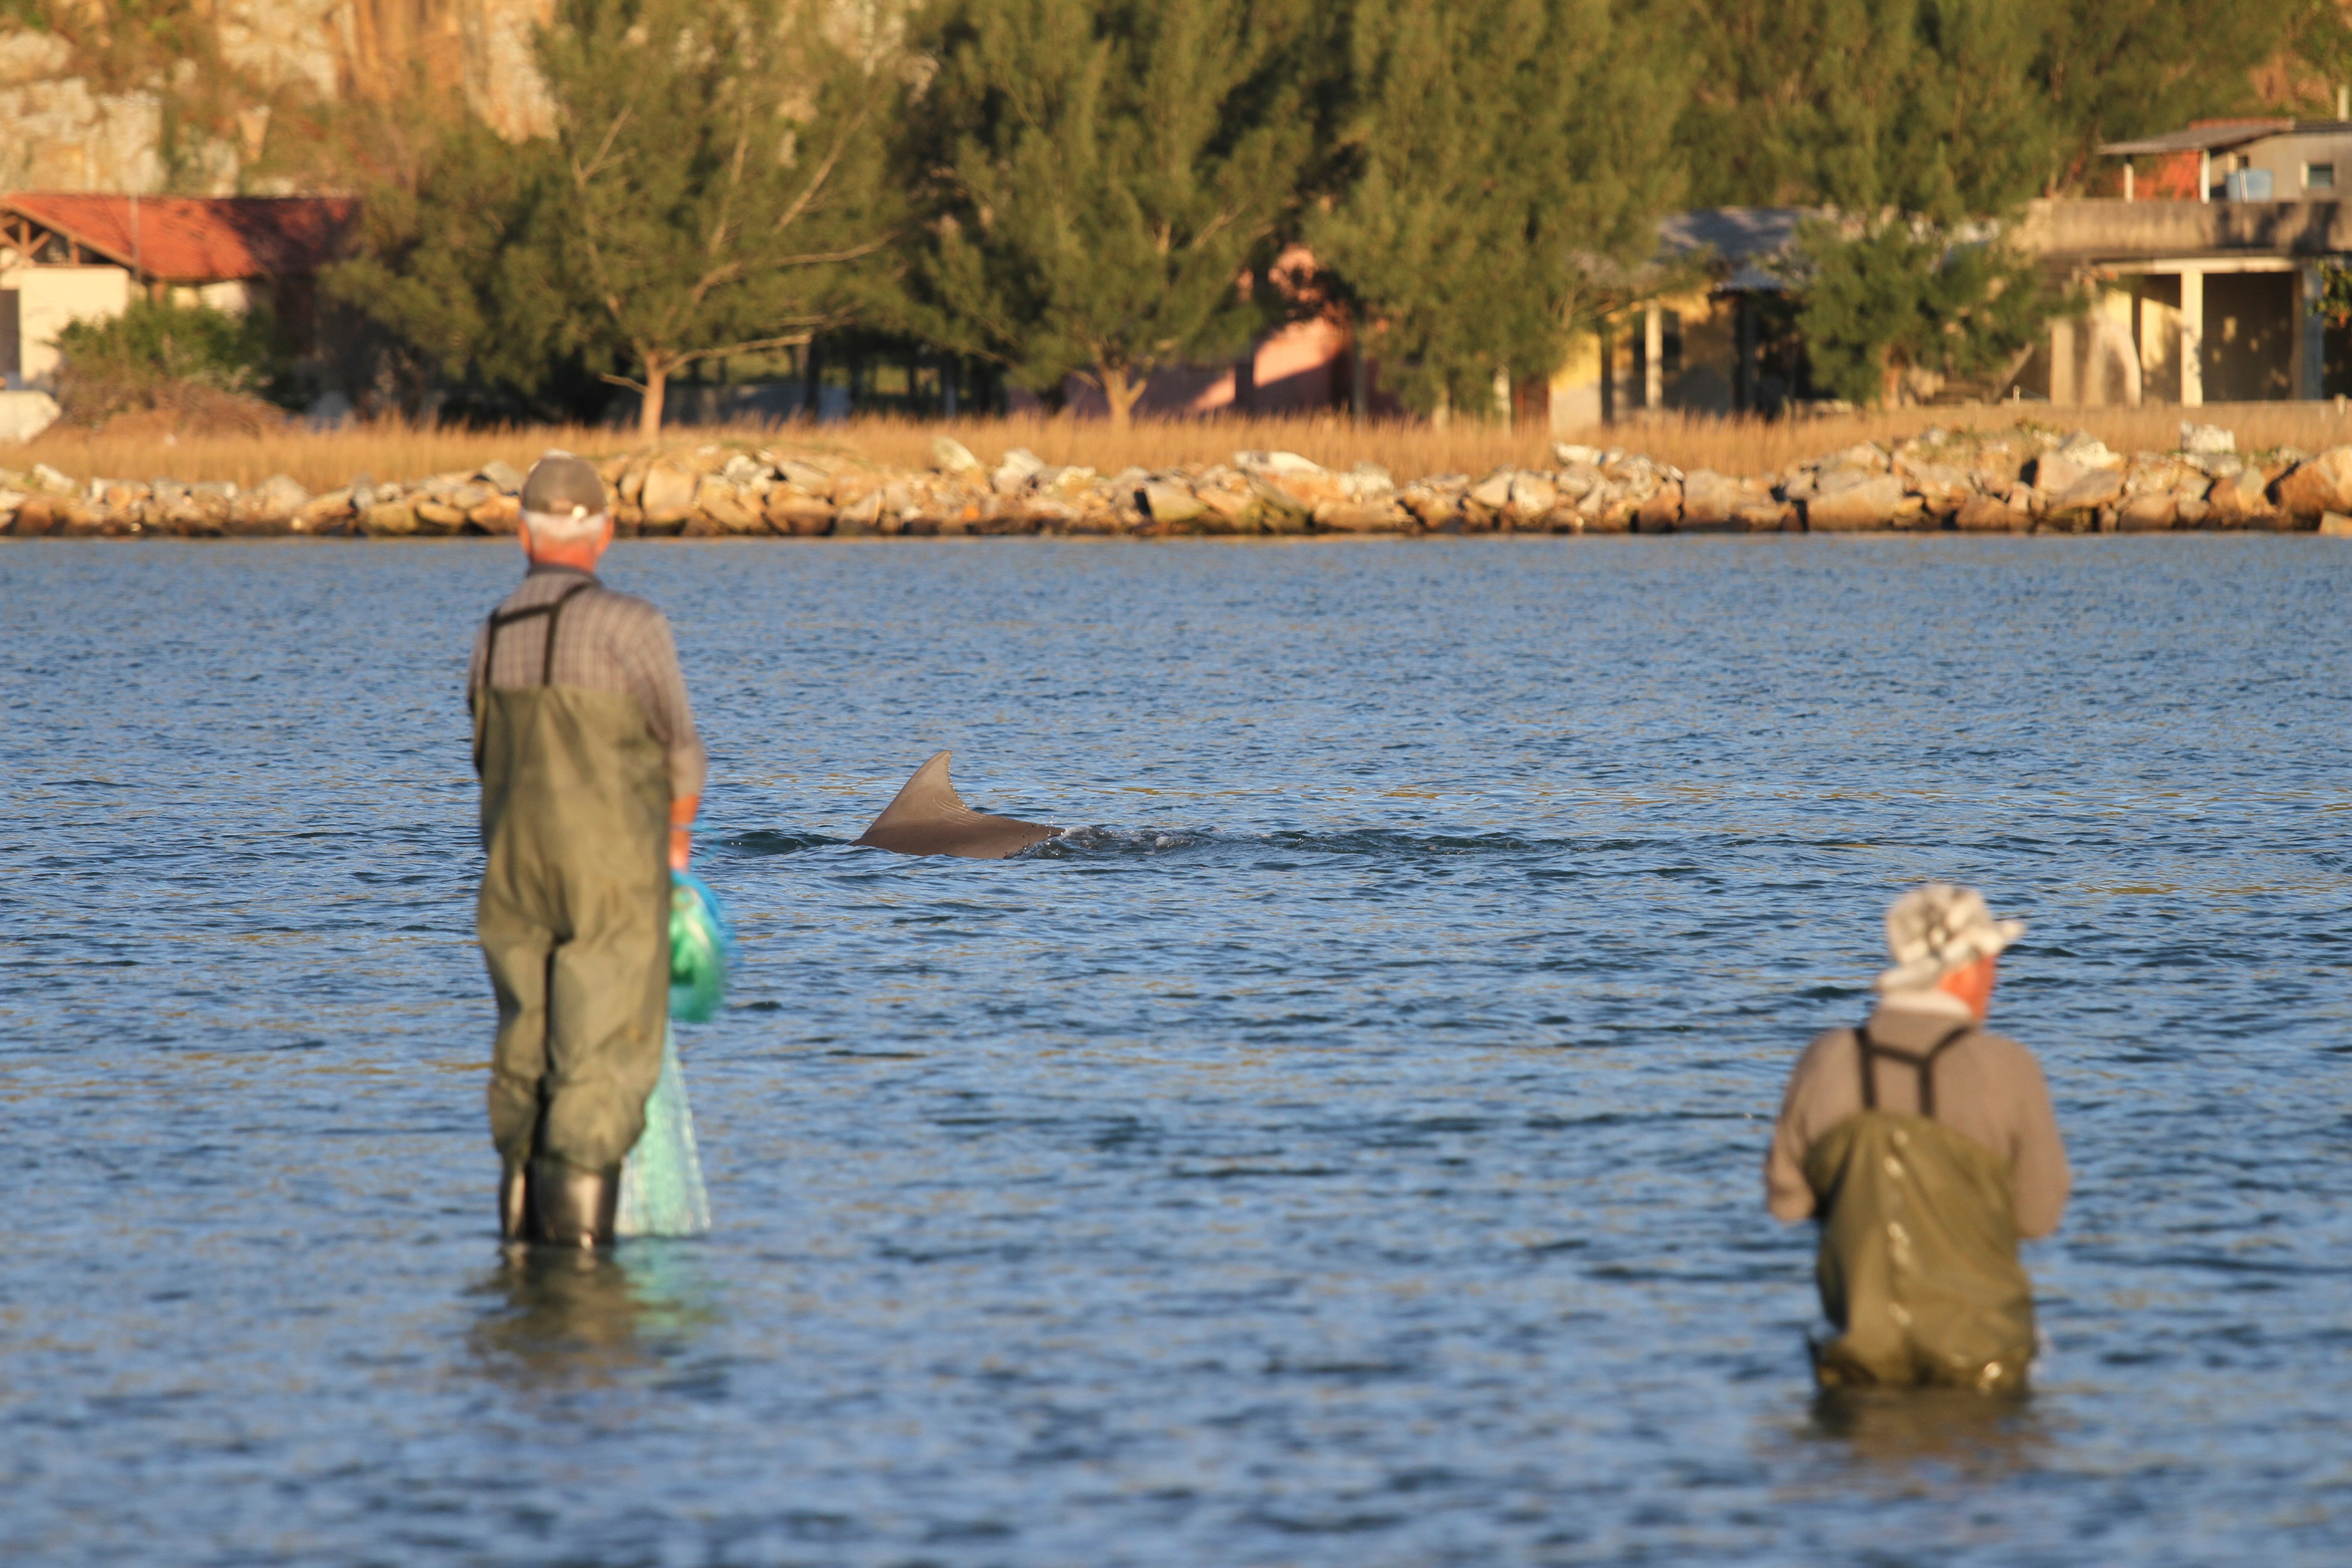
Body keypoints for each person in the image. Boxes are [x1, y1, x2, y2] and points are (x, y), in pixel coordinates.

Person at [469, 453, 705, 1248]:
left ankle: (516, 1260)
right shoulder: (631, 624)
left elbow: (483, 754)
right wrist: (673, 856)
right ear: (603, 531)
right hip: (608, 875)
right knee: (597, 1062)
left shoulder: (494, 632)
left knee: (526, 1054)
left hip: (511, 877)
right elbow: (681, 755)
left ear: (519, 532)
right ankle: (578, 1279)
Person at [1765, 883, 2069, 1392]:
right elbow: (2038, 1218)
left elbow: (1788, 1205)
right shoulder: (2008, 1068)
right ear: (1966, 969)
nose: (1995, 976)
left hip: (1859, 1355)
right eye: (1993, 961)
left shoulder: (1827, 1059)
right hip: (1982, 1357)